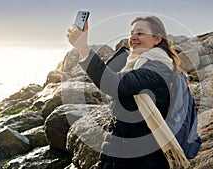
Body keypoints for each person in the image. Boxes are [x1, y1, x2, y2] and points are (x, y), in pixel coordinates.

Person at [67, 15, 180, 169]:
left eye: (140, 33)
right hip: (122, 148)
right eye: (131, 33)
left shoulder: (157, 69)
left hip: (141, 158)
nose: (133, 37)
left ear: (157, 39)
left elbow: (112, 84)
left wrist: (83, 48)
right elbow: (109, 78)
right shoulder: (134, 64)